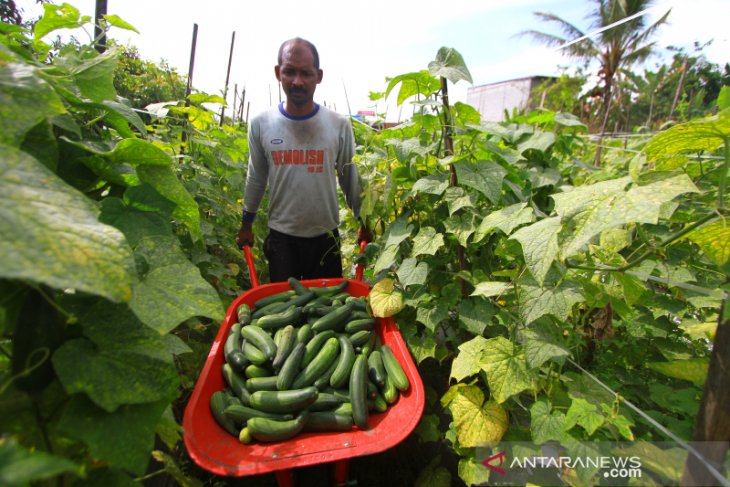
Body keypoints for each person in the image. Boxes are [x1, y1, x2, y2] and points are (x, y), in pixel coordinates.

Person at [236, 37, 370, 282]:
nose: (297, 81)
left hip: (325, 239)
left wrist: (365, 221)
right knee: (285, 312)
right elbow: (256, 177)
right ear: (278, 73)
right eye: (289, 72)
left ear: (318, 76)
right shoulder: (261, 124)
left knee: (326, 314)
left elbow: (350, 178)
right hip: (282, 239)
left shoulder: (338, 125)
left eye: (306, 73)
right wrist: (247, 224)